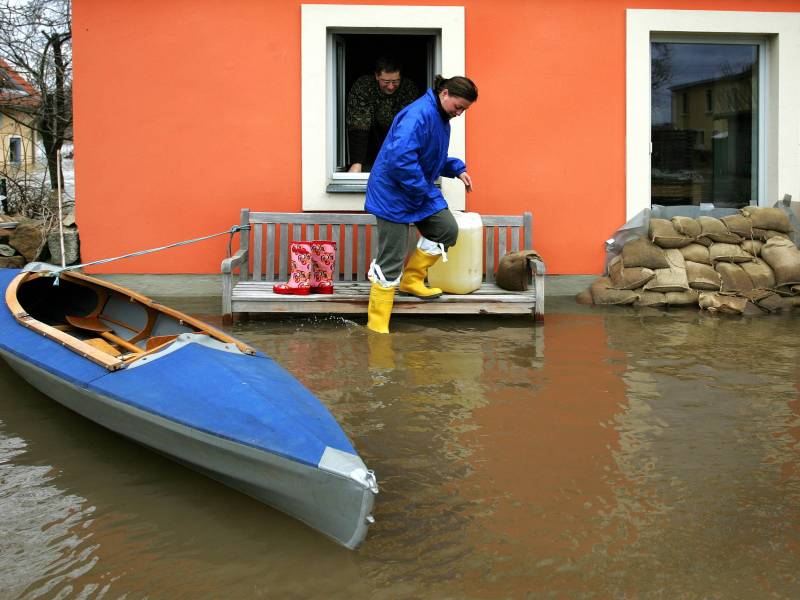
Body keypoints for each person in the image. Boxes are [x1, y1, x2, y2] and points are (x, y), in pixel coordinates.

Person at [364, 74, 478, 334]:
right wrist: (424, 193)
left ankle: (412, 280)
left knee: (446, 230)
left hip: (415, 190)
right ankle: (377, 328)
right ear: (444, 93)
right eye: (458, 107)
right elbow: (400, 160)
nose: (460, 113)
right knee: (391, 259)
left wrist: (455, 168)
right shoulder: (418, 115)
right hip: (392, 194)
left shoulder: (441, 117)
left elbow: (430, 155)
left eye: (465, 110)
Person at [346, 57, 419, 172]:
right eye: (386, 82)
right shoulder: (363, 86)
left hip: (399, 143)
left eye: (395, 81)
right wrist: (357, 162)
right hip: (369, 141)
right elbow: (358, 124)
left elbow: (410, 127)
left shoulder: (408, 89)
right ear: (376, 76)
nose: (391, 86)